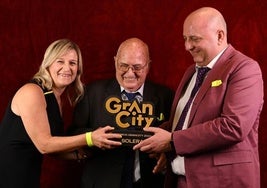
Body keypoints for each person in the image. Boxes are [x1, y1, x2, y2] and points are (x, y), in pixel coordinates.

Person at [133, 7, 264, 188]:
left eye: (194, 39)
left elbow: (233, 126)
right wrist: (155, 137)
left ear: (220, 36)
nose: (187, 46)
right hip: (181, 180)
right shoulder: (191, 72)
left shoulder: (244, 68)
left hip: (223, 182)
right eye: (185, 39)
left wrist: (171, 141)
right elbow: (184, 122)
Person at [0, 39, 122, 188]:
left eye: (72, 63)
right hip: (7, 177)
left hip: (27, 176)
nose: (67, 68)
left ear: (78, 68)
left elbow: (54, 149)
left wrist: (87, 153)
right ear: (48, 63)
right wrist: (90, 138)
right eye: (60, 61)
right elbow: (44, 144)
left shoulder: (55, 97)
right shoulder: (32, 91)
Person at [71, 37, 174, 188]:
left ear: (148, 66)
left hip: (151, 182)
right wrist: (94, 137)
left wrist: (168, 152)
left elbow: (178, 137)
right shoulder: (92, 93)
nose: (130, 73)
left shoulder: (166, 96)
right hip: (102, 181)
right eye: (123, 65)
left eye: (137, 67)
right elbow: (73, 133)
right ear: (115, 62)